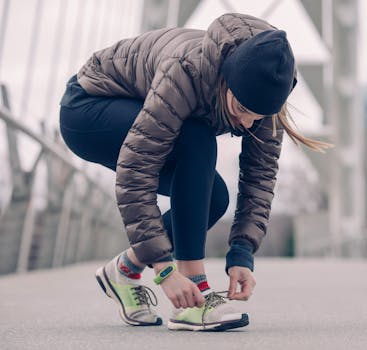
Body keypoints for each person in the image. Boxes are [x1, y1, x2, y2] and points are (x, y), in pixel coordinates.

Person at [59, 12, 331, 331]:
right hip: (88, 110)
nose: (247, 123)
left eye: (258, 117)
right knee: (197, 135)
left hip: (137, 114)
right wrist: (164, 269)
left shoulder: (269, 90)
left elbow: (260, 177)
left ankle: (124, 269)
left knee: (213, 199)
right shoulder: (186, 71)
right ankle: (195, 295)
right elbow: (136, 172)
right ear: (226, 82)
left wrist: (242, 252)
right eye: (242, 110)